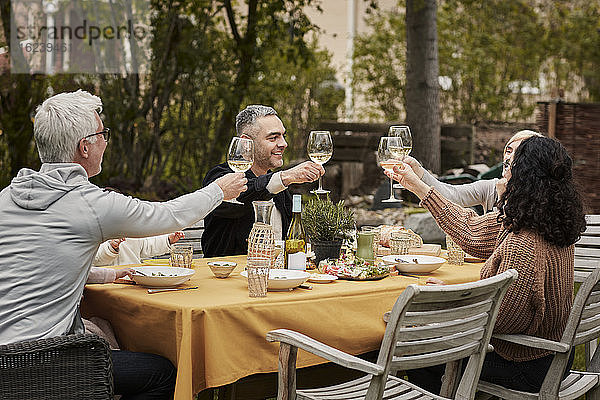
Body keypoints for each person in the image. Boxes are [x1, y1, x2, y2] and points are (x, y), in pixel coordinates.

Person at [0, 90, 247, 399]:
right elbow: (167, 215)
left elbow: (42, 263)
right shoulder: (89, 204)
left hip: (4, 361)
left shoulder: (7, 198)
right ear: (85, 147)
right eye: (103, 134)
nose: (106, 141)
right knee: (166, 375)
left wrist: (110, 275)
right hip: (46, 362)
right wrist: (218, 190)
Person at [386, 135, 586, 393]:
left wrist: (450, 298)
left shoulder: (523, 245)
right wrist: (419, 186)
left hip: (528, 363)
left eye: (511, 166)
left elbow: (500, 320)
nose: (505, 172)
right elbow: (471, 231)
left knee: (417, 351)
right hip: (550, 353)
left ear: (525, 177)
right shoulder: (544, 221)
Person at [201, 104, 324, 257]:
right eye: (273, 138)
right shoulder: (219, 177)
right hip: (228, 276)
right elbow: (246, 191)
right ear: (246, 143)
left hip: (279, 277)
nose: (284, 144)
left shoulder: (280, 188)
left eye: (283, 136)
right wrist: (284, 177)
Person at [403, 130, 542, 213]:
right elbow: (452, 195)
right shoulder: (491, 188)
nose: (508, 157)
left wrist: (501, 201)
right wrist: (418, 171)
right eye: (508, 151)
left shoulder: (543, 196)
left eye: (518, 153)